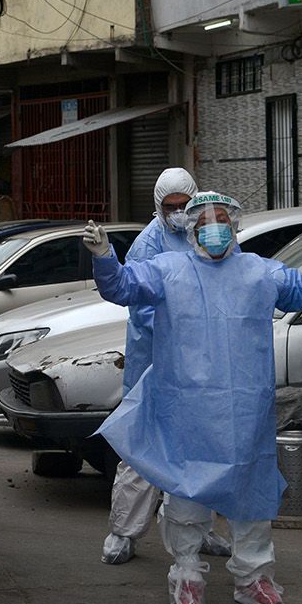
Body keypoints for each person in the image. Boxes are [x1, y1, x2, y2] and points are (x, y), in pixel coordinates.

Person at [82, 193, 302, 604]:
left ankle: (254, 579)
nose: (214, 230)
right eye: (204, 224)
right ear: (191, 231)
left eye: (222, 222)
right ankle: (187, 573)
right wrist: (105, 256)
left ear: (234, 228)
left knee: (250, 494)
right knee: (187, 493)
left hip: (246, 411)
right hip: (188, 409)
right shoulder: (168, 270)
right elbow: (122, 287)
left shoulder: (258, 272)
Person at [101, 172, 232, 566]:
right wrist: (184, 332)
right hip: (154, 362)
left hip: (198, 368)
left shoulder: (206, 232)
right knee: (142, 448)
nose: (177, 213)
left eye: (183, 205)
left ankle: (198, 529)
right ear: (158, 207)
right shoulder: (148, 244)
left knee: (197, 447)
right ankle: (123, 533)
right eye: (169, 207)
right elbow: (139, 304)